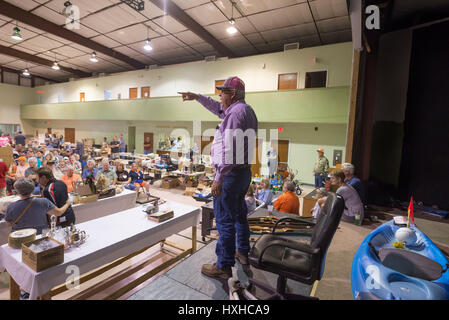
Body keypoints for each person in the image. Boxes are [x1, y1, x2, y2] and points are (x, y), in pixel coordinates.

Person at [179, 76, 258, 279]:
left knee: (224, 219)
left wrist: (219, 178)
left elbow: (231, 150)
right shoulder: (244, 110)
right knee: (239, 214)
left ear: (231, 94)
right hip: (242, 173)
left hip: (230, 174)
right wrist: (197, 97)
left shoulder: (235, 114)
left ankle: (223, 265)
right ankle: (242, 251)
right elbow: (217, 108)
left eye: (222, 92)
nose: (219, 96)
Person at [5, 178, 71, 234]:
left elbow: (8, 223)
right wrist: (67, 203)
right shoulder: (43, 202)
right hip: (40, 235)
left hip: (20, 236)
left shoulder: (11, 206)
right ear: (32, 188)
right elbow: (58, 213)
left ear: (17, 191)